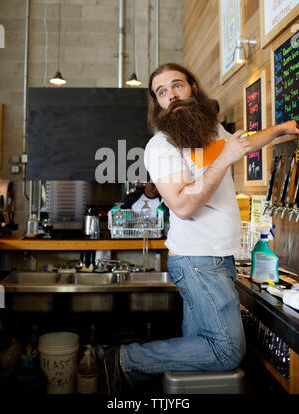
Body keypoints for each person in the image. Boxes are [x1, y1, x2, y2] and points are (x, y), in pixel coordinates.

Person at [104, 62, 299, 393]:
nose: (172, 96)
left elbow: (245, 144)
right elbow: (181, 206)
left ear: (192, 86)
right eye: (162, 92)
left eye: (177, 86)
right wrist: (225, 159)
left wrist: (283, 128)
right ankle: (125, 361)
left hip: (217, 259)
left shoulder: (210, 130)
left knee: (201, 349)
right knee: (225, 352)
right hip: (197, 260)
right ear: (157, 103)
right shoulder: (162, 146)